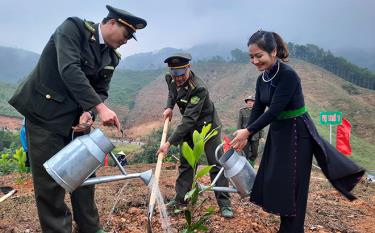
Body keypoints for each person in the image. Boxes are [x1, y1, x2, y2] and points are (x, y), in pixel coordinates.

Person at [8, 5, 147, 233]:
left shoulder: (112, 56)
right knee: (50, 184)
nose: (127, 41)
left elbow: (100, 88)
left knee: (84, 177)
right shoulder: (73, 29)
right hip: (45, 116)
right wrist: (101, 109)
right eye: (126, 34)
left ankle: (90, 227)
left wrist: (89, 112)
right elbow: (69, 69)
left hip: (78, 123)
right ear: (112, 22)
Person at [230, 30, 365, 233]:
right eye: (251, 57)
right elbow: (258, 109)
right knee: (281, 184)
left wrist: (248, 131)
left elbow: (275, 110)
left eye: (259, 56)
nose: (255, 61)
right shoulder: (262, 79)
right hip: (278, 134)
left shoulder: (288, 75)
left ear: (273, 52)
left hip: (297, 132)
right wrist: (246, 136)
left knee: (293, 187)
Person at [157, 53, 233, 218]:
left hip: (207, 127)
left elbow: (189, 120)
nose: (178, 79)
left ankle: (225, 204)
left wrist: (169, 143)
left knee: (215, 163)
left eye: (181, 74)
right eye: (174, 74)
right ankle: (180, 200)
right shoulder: (170, 79)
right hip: (190, 128)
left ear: (188, 68)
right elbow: (172, 93)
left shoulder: (198, 87)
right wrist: (169, 106)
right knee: (186, 163)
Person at [237, 95, 264, 166]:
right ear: (246, 103)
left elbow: (261, 124)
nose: (249, 103)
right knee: (244, 153)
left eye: (251, 101)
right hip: (245, 135)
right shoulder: (242, 111)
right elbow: (239, 123)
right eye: (248, 102)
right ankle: (245, 167)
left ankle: (251, 165)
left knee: (255, 153)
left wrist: (262, 136)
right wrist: (238, 135)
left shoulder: (258, 112)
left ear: (254, 103)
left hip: (255, 135)